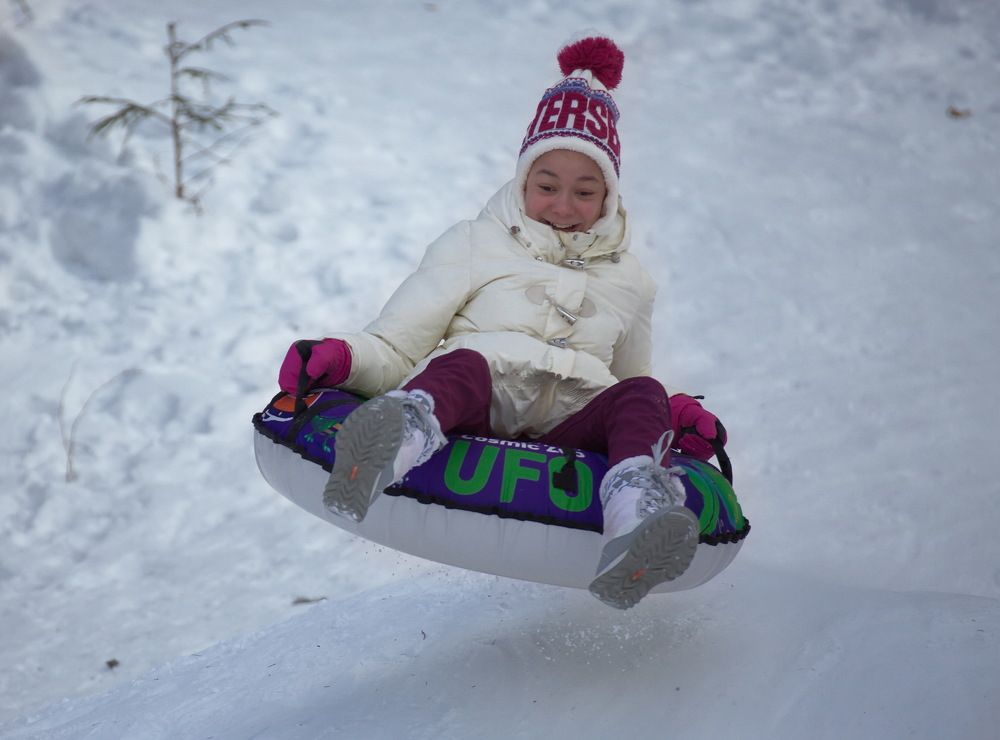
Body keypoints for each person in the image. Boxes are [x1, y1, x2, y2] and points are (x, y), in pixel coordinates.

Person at [277, 37, 728, 609]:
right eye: (547, 186)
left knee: (641, 394)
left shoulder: (631, 281)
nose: (564, 206)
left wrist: (674, 413)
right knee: (461, 364)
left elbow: (628, 382)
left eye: (585, 192)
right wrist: (341, 359)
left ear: (610, 195)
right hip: (478, 404)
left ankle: (634, 520)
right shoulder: (473, 244)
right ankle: (388, 446)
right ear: (522, 179)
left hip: (571, 421)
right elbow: (397, 344)